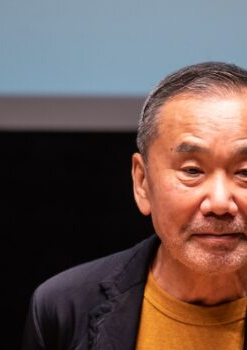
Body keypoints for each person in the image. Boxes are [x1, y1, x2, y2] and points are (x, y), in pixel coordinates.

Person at [21, 62, 247, 350]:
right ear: (142, 182)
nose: (219, 203)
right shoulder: (64, 307)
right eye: (192, 171)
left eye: (244, 172)